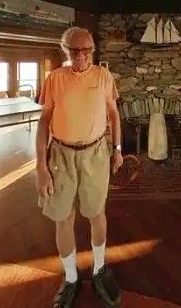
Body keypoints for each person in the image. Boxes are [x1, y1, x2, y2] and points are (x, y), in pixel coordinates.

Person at [36, 26, 124, 307]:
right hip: (61, 156)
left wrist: (117, 150)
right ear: (65, 50)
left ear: (93, 50)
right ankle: (71, 277)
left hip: (96, 154)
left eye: (87, 50)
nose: (81, 55)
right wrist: (41, 167)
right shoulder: (54, 79)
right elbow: (43, 122)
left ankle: (99, 269)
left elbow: (113, 114)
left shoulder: (104, 76)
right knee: (63, 218)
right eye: (75, 50)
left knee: (96, 213)